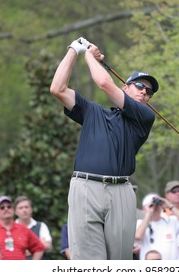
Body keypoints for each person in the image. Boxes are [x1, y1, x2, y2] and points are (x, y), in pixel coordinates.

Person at [50, 37, 159, 260]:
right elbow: (57, 89)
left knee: (118, 263)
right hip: (85, 188)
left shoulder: (144, 117)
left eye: (149, 93)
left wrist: (90, 55)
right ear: (125, 87)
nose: (144, 93)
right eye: (140, 86)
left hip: (120, 192)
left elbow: (103, 83)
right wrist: (74, 49)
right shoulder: (93, 112)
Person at [135, 193, 179, 260]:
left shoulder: (171, 221)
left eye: (158, 204)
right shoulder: (140, 223)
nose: (155, 207)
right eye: (151, 205)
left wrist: (170, 205)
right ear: (144, 208)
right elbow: (138, 236)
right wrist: (149, 213)